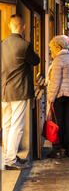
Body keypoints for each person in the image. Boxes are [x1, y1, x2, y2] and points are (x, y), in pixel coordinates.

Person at [2, 14, 40, 170]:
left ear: (10, 26)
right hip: (19, 90)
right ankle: (10, 159)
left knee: (6, 124)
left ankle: (7, 155)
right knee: (17, 125)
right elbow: (36, 60)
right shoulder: (25, 45)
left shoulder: (2, 44)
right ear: (22, 26)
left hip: (4, 90)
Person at [47, 36, 69, 158]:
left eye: (52, 49)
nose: (51, 52)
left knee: (58, 122)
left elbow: (56, 81)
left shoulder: (58, 60)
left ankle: (57, 149)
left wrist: (51, 97)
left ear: (58, 47)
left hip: (60, 95)